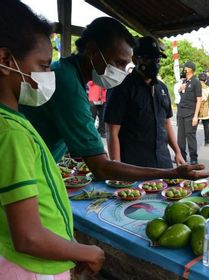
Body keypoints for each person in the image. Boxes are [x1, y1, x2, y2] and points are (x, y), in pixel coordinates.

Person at [20, 17, 209, 181]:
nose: (121, 72)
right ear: (92, 50)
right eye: (119, 63)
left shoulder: (66, 72)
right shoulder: (68, 85)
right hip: (24, 172)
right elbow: (102, 167)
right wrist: (172, 173)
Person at [0, 1, 104, 278]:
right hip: (31, 269)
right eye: (44, 66)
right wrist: (85, 251)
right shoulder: (11, 133)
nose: (49, 76)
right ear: (5, 59)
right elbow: (28, 237)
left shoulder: (12, 122)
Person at [104, 36, 185, 168]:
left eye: (156, 59)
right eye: (148, 59)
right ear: (135, 59)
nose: (154, 63)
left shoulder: (162, 88)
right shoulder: (121, 88)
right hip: (134, 165)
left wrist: (177, 151)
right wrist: (117, 168)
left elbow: (166, 122)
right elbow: (112, 132)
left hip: (163, 162)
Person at [177, 61, 202, 164]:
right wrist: (180, 89)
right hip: (181, 113)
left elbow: (199, 99)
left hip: (190, 114)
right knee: (180, 138)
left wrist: (196, 116)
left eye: (185, 68)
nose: (183, 69)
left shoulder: (196, 82)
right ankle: (182, 157)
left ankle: (193, 158)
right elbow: (182, 95)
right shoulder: (184, 81)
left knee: (190, 137)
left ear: (190, 69)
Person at [198, 72, 209, 145]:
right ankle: (207, 140)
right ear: (206, 80)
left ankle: (191, 140)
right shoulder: (208, 88)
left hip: (196, 109)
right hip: (204, 109)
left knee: (194, 126)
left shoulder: (194, 87)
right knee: (206, 125)